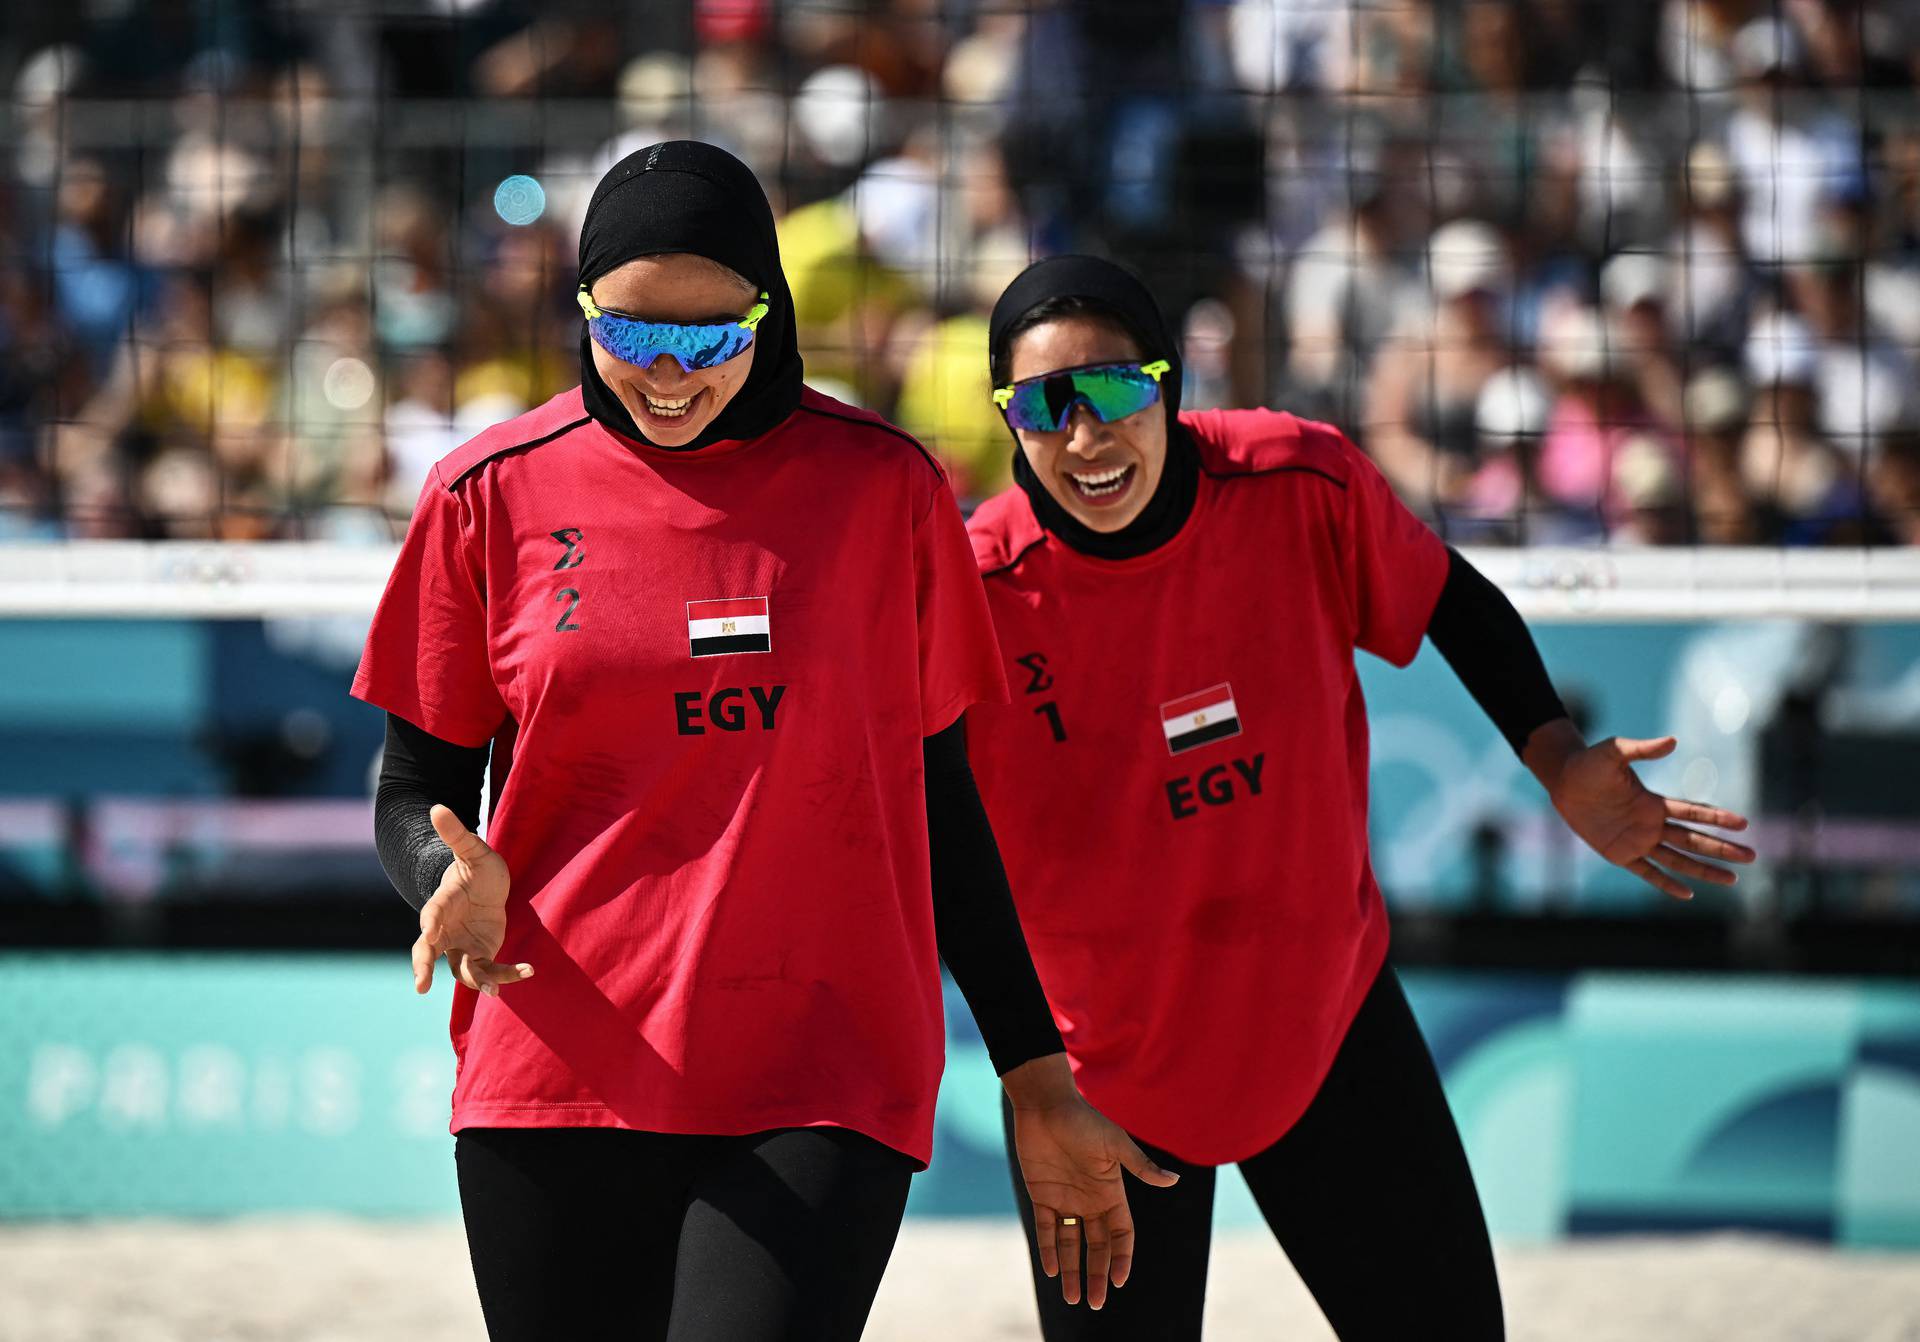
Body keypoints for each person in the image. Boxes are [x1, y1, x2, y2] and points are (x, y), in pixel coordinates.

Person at [352, 145, 1174, 1342]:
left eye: (711, 338)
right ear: (580, 312)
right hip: (555, 1063)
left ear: (771, 311)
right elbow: (412, 787)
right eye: (632, 338)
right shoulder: (487, 491)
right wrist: (440, 876)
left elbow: (941, 801)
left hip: (822, 1070)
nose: (670, 375)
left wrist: (1032, 1071)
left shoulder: (885, 490)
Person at [962, 255, 1758, 1339]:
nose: (1085, 436)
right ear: (1007, 419)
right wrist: (1031, 1085)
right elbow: (931, 838)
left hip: (1324, 1021)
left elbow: (1454, 600)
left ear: (1168, 384)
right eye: (1045, 404)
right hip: (1104, 1081)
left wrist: (1559, 756)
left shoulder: (1297, 479)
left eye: (1114, 390)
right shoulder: (975, 589)